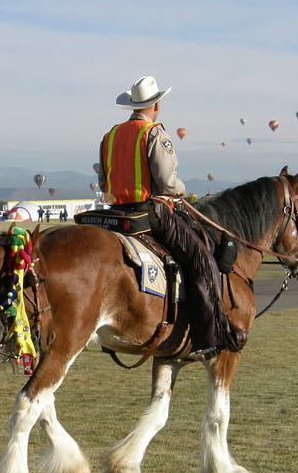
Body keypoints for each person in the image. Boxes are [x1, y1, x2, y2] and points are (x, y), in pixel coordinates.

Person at [98, 75, 244, 361]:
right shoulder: (154, 134)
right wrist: (182, 188)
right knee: (202, 261)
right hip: (150, 212)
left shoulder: (110, 136)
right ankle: (206, 339)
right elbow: (166, 182)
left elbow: (104, 181)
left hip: (114, 213)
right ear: (156, 105)